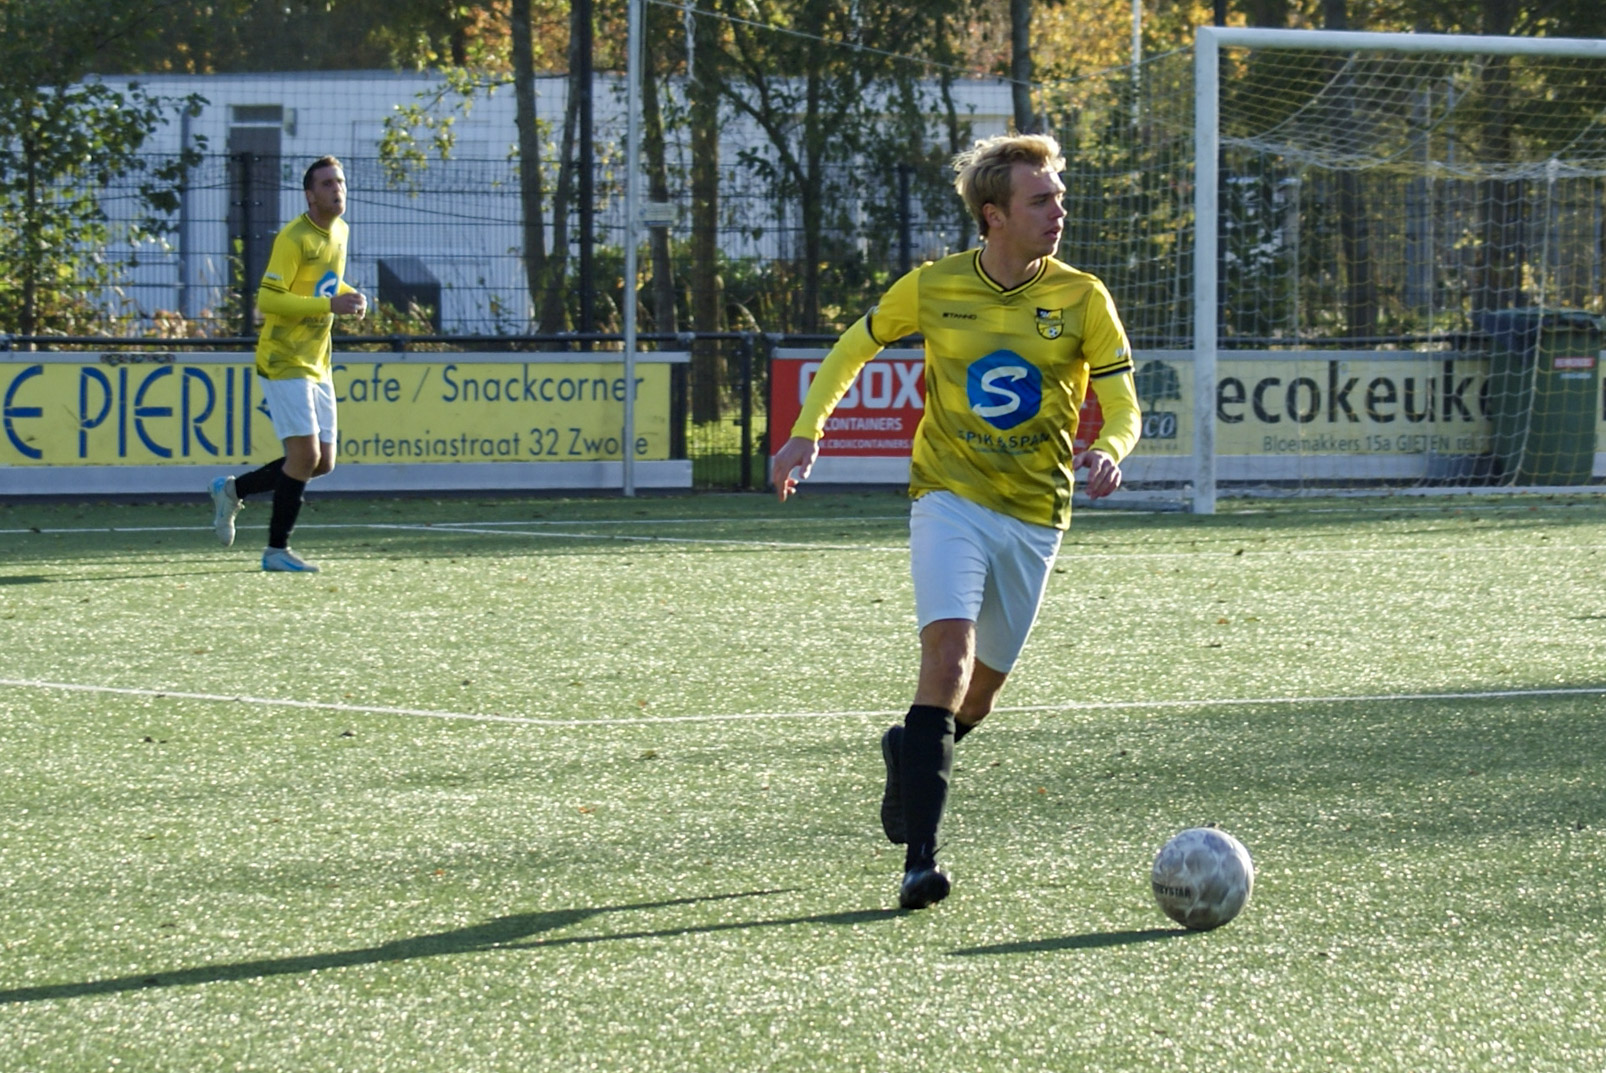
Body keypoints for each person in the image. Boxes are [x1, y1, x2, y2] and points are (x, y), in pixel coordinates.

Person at [772, 133, 1142, 910]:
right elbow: (853, 346)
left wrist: (1110, 448)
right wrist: (808, 430)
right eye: (1040, 201)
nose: (1058, 213)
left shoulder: (1084, 297)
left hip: (1037, 515)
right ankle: (920, 861)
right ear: (993, 215)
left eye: (1059, 199)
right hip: (948, 497)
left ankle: (909, 751)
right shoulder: (934, 286)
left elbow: (1124, 407)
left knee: (975, 701)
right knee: (946, 661)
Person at [209, 155, 367, 572]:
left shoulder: (341, 232)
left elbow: (322, 283)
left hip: (317, 360)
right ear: (310, 195)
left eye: (340, 182)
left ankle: (232, 491)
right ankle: (276, 551)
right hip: (283, 357)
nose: (337, 189)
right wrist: (329, 305)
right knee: (304, 456)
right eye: (327, 184)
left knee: (323, 463)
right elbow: (268, 299)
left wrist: (348, 295)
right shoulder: (294, 238)